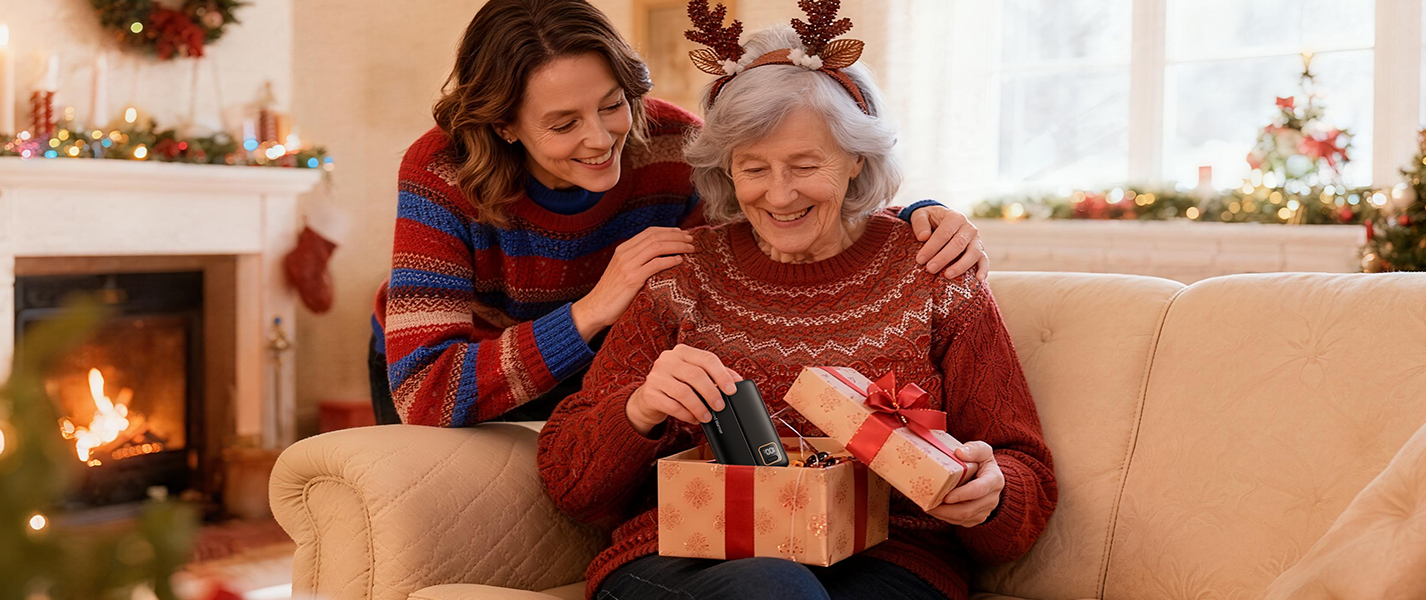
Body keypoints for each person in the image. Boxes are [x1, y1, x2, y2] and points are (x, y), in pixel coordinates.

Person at [537, 13, 1056, 600]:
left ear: (857, 156)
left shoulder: (935, 270)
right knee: (774, 587)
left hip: (888, 560)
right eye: (753, 169)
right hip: (692, 556)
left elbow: (1026, 480)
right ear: (726, 170)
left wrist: (991, 495)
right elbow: (569, 485)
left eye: (806, 166)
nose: (779, 195)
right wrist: (639, 409)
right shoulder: (678, 279)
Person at [367, 0, 994, 427]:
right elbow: (428, 391)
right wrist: (591, 310)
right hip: (459, 367)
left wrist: (919, 214)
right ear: (504, 125)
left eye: (612, 104)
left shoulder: (672, 140)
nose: (601, 137)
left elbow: (784, 204)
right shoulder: (442, 171)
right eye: (562, 124)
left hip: (608, 362)